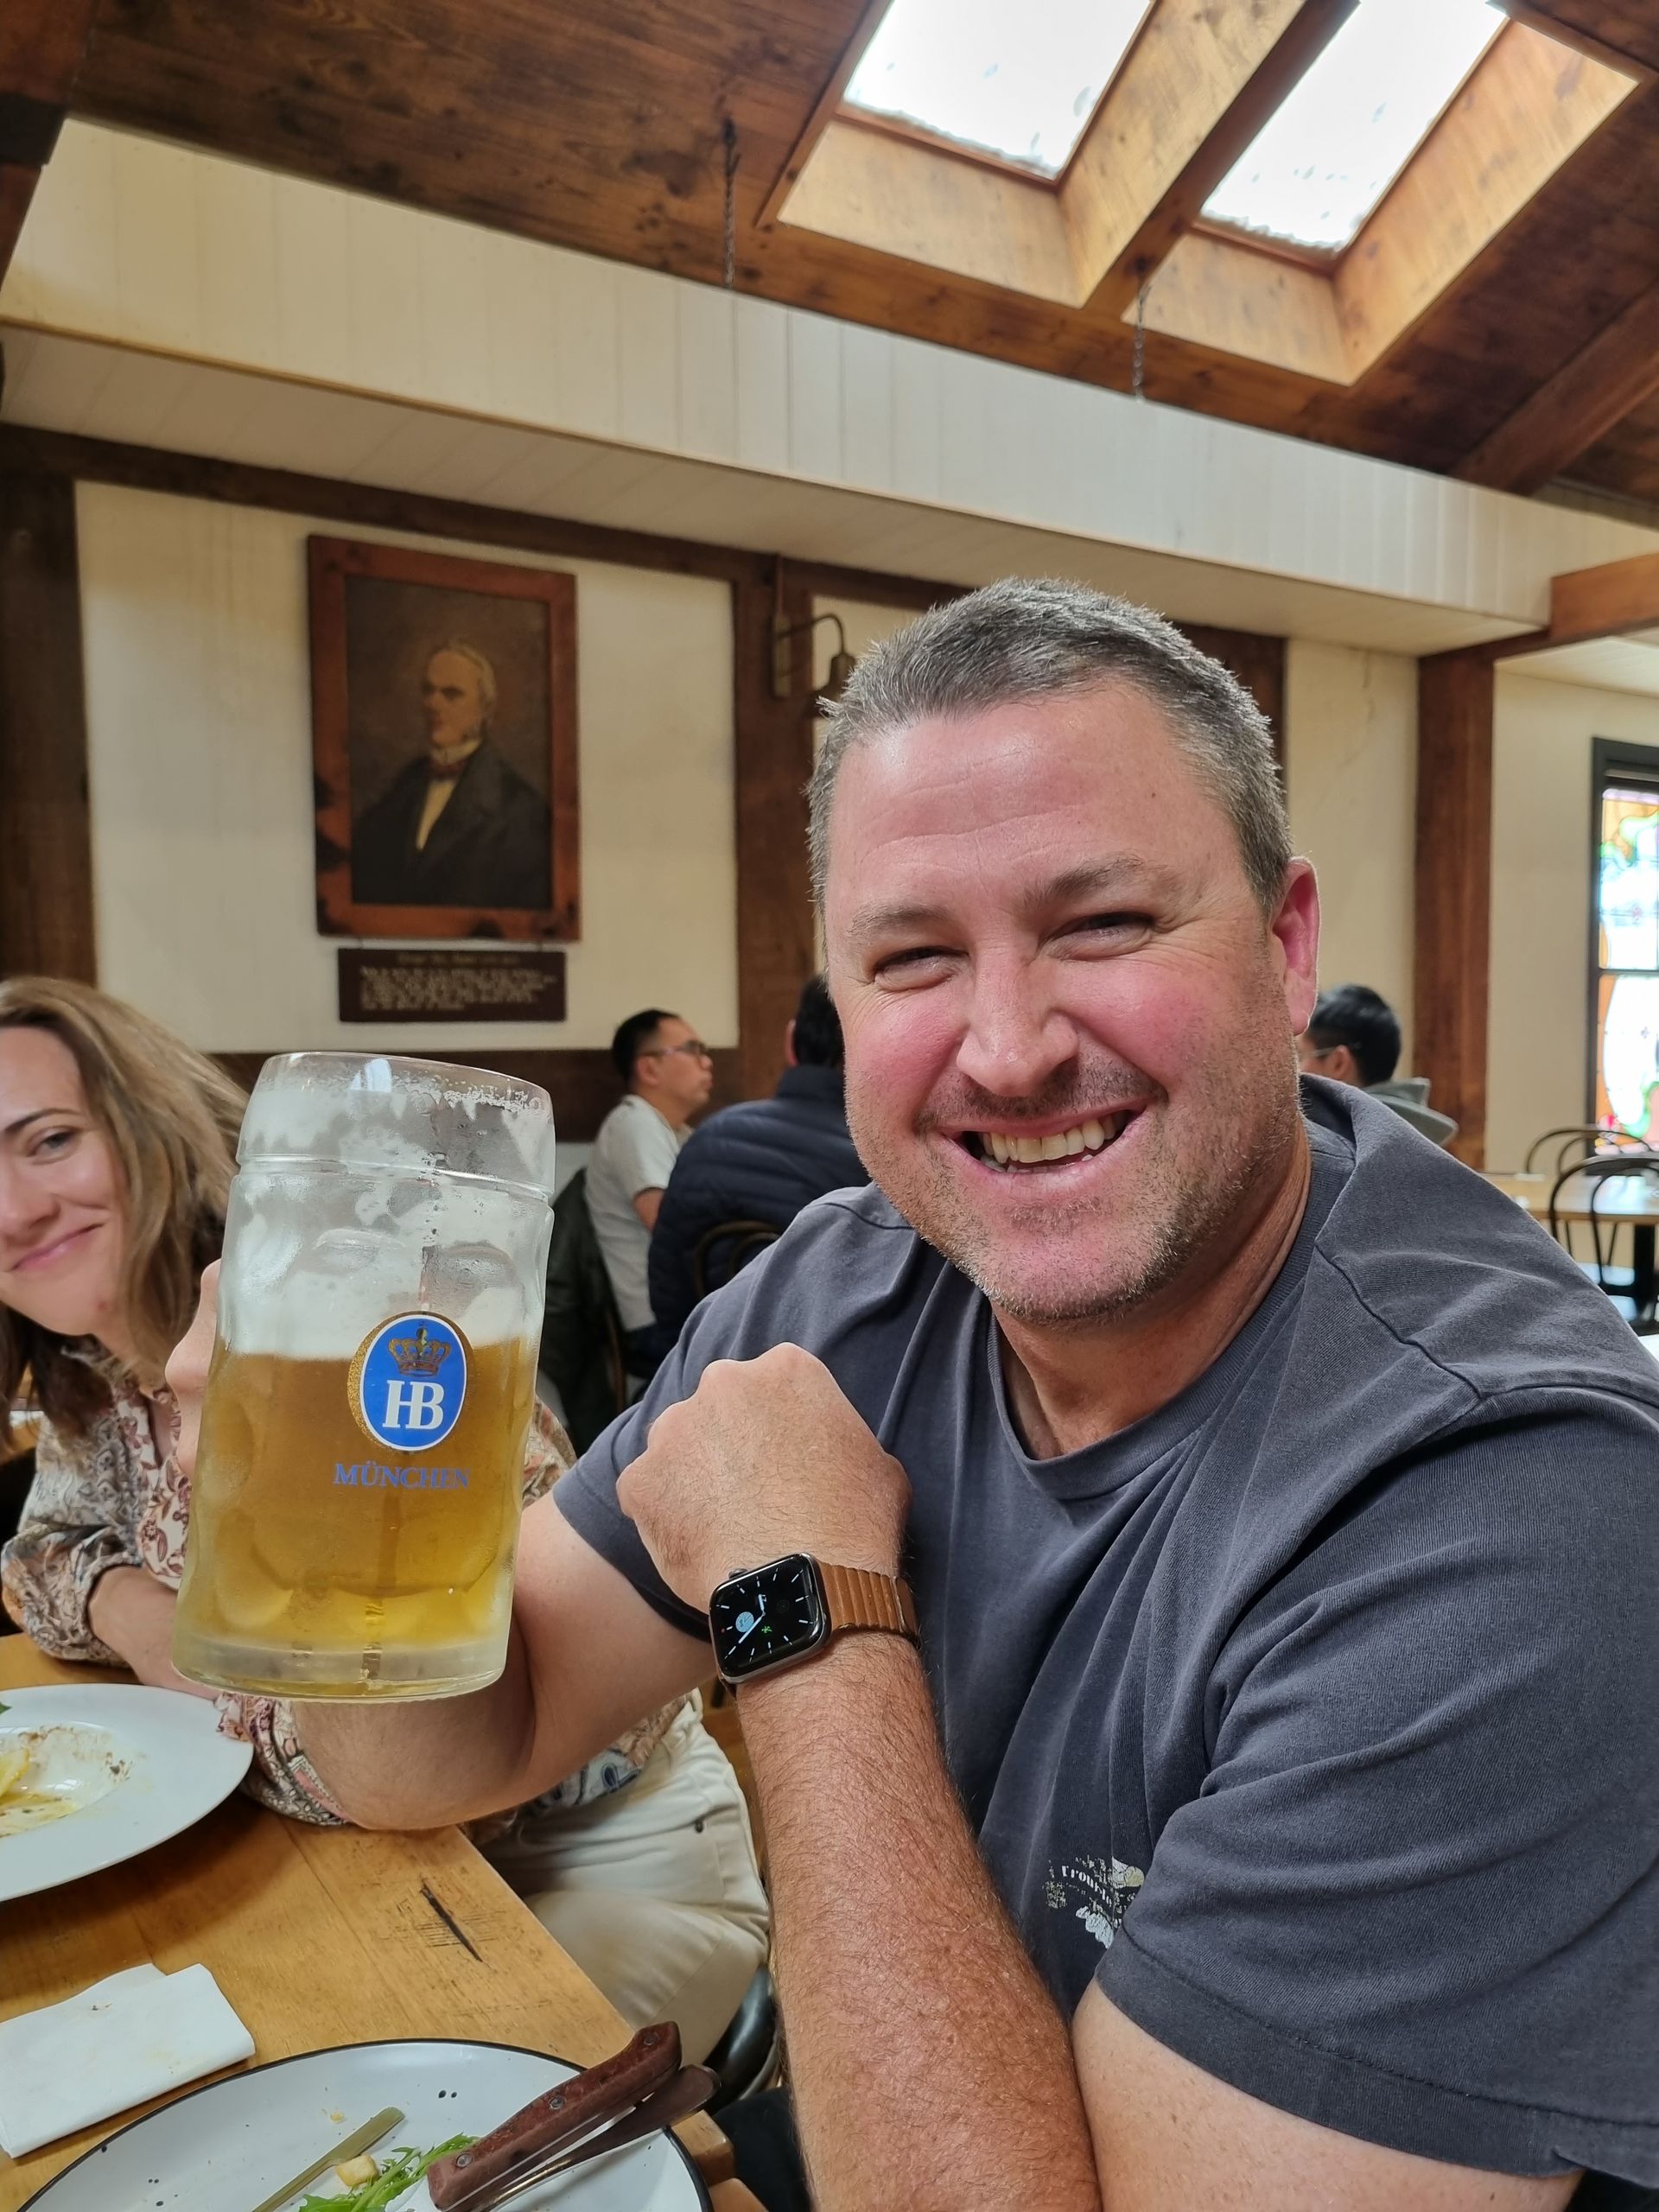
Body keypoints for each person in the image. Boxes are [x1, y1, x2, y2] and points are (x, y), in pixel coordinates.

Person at [169, 582, 1659, 2210]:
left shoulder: (1512, 1503)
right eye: (914, 957)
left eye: (1103, 922)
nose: (1007, 1050)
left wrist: (797, 1609)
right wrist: (341, 1507)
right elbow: (441, 1758)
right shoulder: (845, 1292)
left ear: (1287, 947)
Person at [0, 978, 766, 2062]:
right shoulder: (94, 1380)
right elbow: (36, 1555)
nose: (14, 1207)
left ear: (149, 1123)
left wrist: (229, 1687)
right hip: (358, 1874)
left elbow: (432, 1756)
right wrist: (138, 1616)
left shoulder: (364, 1312)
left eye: (48, 1141)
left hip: (607, 1856)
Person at [647, 975, 865, 1345]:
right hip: (839, 1368)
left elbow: (667, 1288)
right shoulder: (877, 1159)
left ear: (790, 1042)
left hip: (711, 1357)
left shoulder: (709, 1138)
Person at [350, 641, 552, 911]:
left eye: (451, 694)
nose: (433, 704)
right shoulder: (402, 787)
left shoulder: (523, 811)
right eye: (428, 691)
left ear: (485, 708)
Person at [587, 1009, 714, 1379]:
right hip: (656, 1321)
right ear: (649, 1068)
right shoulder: (634, 1122)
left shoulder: (676, 1132)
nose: (707, 1061)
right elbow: (668, 1226)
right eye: (692, 1049)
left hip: (681, 1308)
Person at [1298, 980, 1458, 1146]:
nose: (1297, 1071)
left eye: (1300, 1056)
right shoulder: (1420, 1138)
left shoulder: (1332, 1146)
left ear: (1338, 1063)